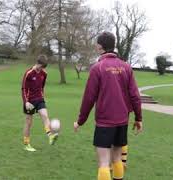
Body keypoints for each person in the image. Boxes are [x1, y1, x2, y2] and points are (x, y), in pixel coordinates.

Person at [73, 32, 143, 180]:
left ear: (99, 46)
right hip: (122, 122)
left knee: (104, 163)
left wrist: (80, 121)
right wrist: (138, 118)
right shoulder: (127, 67)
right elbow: (135, 96)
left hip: (105, 122)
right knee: (117, 159)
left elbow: (88, 98)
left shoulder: (97, 68)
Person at [21, 55, 58, 152]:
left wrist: (43, 97)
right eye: (41, 66)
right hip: (30, 101)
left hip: (39, 99)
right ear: (37, 63)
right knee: (29, 123)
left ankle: (50, 136)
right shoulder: (28, 73)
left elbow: (42, 87)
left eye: (43, 68)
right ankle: (26, 144)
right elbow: (23, 88)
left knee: (45, 115)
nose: (41, 69)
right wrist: (26, 102)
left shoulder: (44, 74)